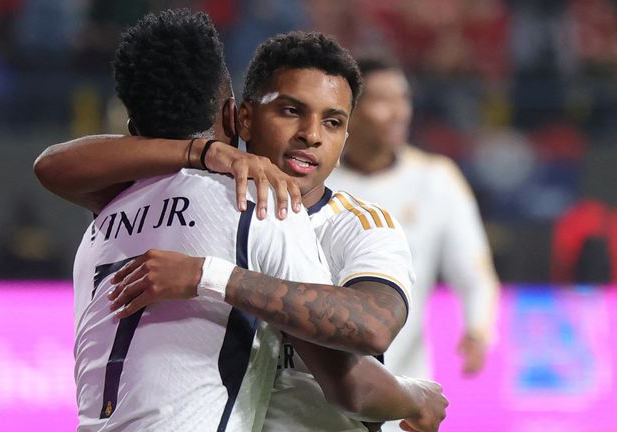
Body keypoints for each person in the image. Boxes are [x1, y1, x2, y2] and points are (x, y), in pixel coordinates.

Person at [36, 22, 447, 432]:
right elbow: (352, 386)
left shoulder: (111, 209)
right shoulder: (258, 210)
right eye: (291, 110)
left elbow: (373, 324)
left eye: (333, 122)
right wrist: (415, 398)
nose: (311, 135)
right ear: (240, 119)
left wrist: (204, 272)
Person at [58, 10, 336, 431]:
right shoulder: (256, 201)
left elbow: (49, 166)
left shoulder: (104, 219)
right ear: (231, 115)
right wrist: (410, 396)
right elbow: (337, 369)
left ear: (132, 130)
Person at [327, 55, 499, 428]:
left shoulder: (436, 179)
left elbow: (474, 271)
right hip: (320, 389)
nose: (398, 112)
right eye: (382, 99)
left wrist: (478, 329)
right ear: (349, 111)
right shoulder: (318, 181)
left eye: (402, 98)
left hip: (404, 391)